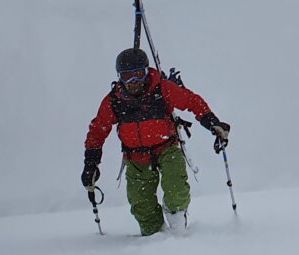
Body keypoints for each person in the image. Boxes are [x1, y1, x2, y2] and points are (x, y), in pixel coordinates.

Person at [81, 47, 231, 236]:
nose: (133, 82)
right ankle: (154, 239)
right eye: (127, 76)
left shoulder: (161, 88)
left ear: (146, 72)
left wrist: (213, 123)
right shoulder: (114, 101)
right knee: (140, 203)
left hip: (167, 148)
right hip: (135, 158)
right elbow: (97, 131)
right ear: (119, 77)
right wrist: (91, 164)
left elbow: (191, 101)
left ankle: (178, 229)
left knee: (175, 188)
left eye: (138, 74)